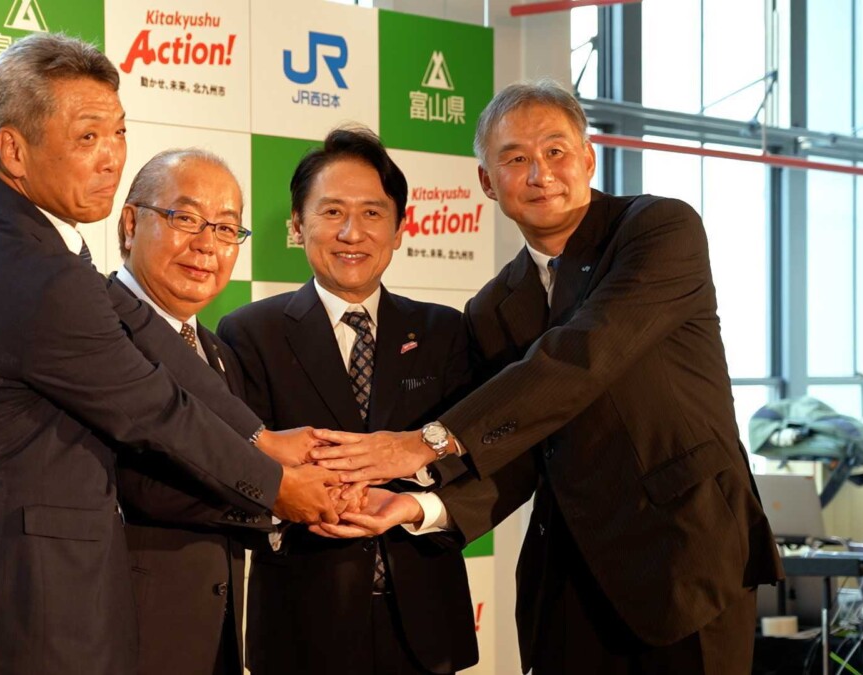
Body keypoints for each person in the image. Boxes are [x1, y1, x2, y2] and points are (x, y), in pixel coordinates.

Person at [0, 33, 338, 675]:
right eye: (87, 137)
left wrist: (259, 437)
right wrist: (278, 489)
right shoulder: (32, 273)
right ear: (14, 149)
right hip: (22, 619)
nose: (112, 158)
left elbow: (137, 322)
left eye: (118, 133)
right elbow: (153, 410)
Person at [310, 80, 784, 674]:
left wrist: (425, 442)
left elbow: (585, 354)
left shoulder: (658, 228)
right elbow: (513, 446)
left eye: (556, 151)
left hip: (686, 560)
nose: (540, 174)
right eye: (514, 159)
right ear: (487, 182)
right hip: (567, 581)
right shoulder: (491, 307)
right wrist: (417, 506)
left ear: (587, 158)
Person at [218, 127, 480, 675]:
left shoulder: (445, 331)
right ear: (297, 225)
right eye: (332, 211)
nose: (351, 233)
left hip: (426, 628)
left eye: (372, 213)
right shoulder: (250, 333)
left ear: (401, 228)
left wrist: (416, 495)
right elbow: (238, 467)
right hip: (301, 625)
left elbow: (470, 459)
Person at [111, 148, 266, 675]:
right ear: (130, 224)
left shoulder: (221, 352)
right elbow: (134, 479)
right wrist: (279, 499)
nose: (206, 245)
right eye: (185, 218)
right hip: (122, 635)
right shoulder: (93, 327)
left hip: (213, 638)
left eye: (226, 229)